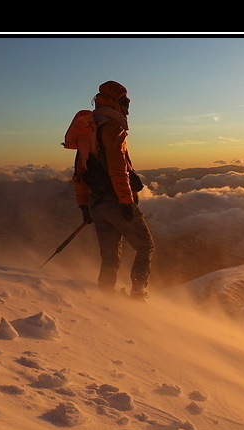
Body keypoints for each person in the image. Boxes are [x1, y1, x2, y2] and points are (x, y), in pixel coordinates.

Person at [72, 81, 154, 300]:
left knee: (109, 256)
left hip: (96, 203)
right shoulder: (112, 129)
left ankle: (105, 294)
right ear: (117, 103)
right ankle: (138, 293)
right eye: (125, 102)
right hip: (115, 201)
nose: (127, 108)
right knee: (145, 245)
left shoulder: (87, 130)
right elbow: (118, 170)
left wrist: (83, 205)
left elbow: (80, 172)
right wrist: (126, 202)